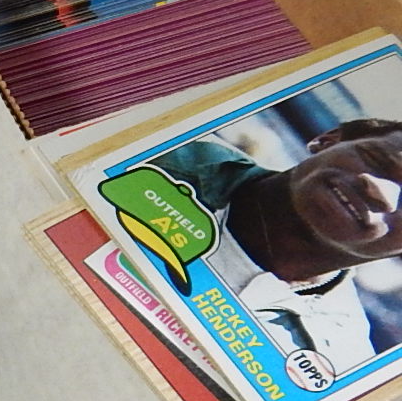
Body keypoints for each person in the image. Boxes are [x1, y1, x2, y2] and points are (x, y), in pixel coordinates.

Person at [147, 117, 402, 374]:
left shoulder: (340, 366)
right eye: (376, 160)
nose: (380, 192)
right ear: (329, 140)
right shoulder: (145, 153)